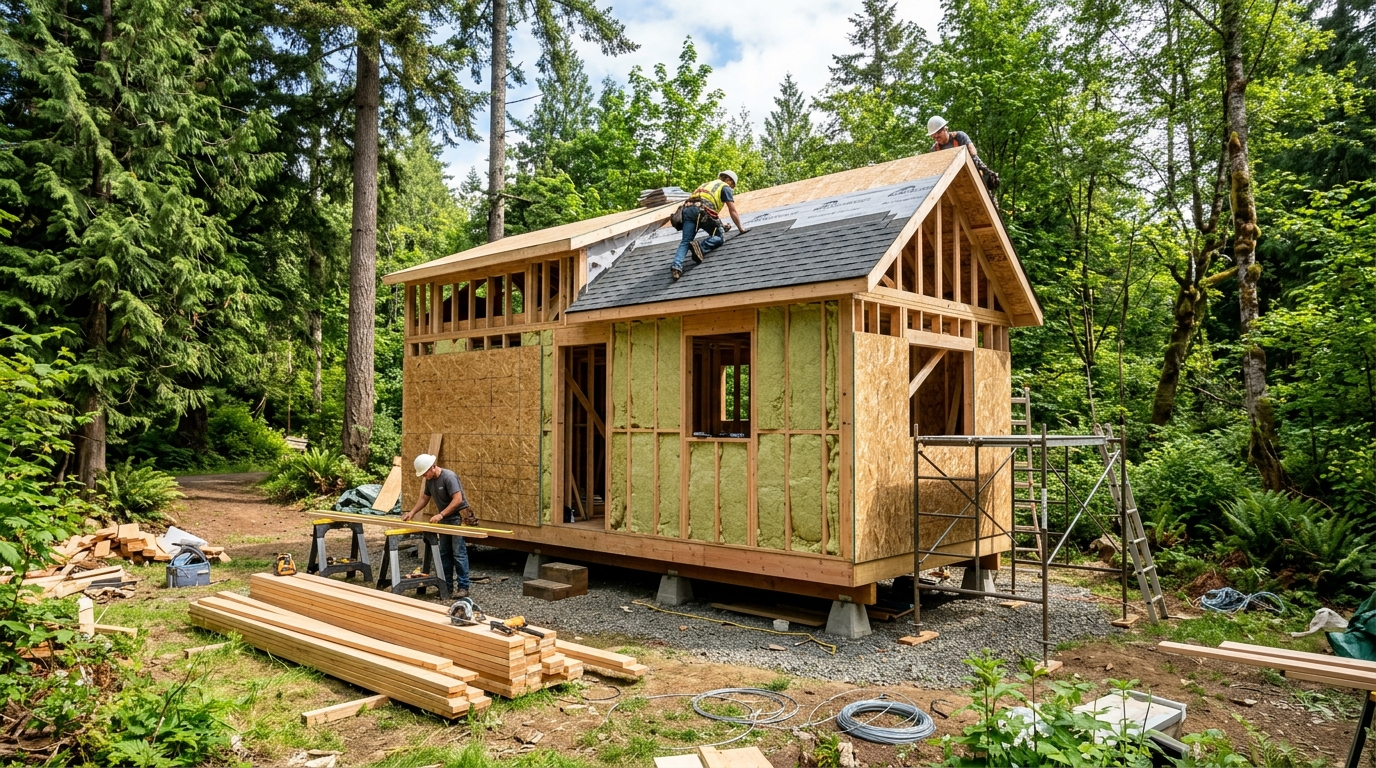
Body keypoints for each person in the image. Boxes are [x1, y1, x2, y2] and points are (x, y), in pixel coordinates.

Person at [403, 453, 477, 598]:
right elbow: (424, 498)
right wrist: (412, 512)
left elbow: (457, 499)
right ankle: (446, 587)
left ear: (432, 467)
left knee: (459, 554)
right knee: (444, 554)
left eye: (425, 473)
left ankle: (463, 588)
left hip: (457, 519)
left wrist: (441, 514)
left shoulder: (449, 477)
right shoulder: (430, 480)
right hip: (445, 520)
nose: (424, 476)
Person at [670, 170, 749, 280]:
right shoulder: (725, 187)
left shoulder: (706, 184)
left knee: (685, 241)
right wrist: (740, 228)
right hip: (702, 212)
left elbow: (709, 208)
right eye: (732, 185)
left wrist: (722, 225)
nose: (731, 187)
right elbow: (732, 210)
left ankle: (676, 267)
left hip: (687, 211)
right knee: (719, 237)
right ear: (729, 180)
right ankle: (700, 248)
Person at [927, 116, 1000, 192]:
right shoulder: (935, 149)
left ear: (945, 129)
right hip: (952, 180)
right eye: (934, 136)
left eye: (938, 134)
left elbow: (973, 154)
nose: (936, 138)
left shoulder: (959, 137)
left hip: (973, 171)